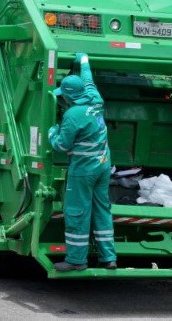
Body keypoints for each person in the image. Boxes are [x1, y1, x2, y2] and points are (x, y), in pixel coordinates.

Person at [49, 53, 116, 272]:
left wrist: (52, 133)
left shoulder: (73, 115)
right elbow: (88, 79)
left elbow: (62, 146)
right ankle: (109, 258)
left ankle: (76, 261)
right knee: (102, 209)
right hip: (103, 165)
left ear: (67, 97)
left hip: (83, 170)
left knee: (77, 211)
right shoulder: (95, 99)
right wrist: (84, 60)